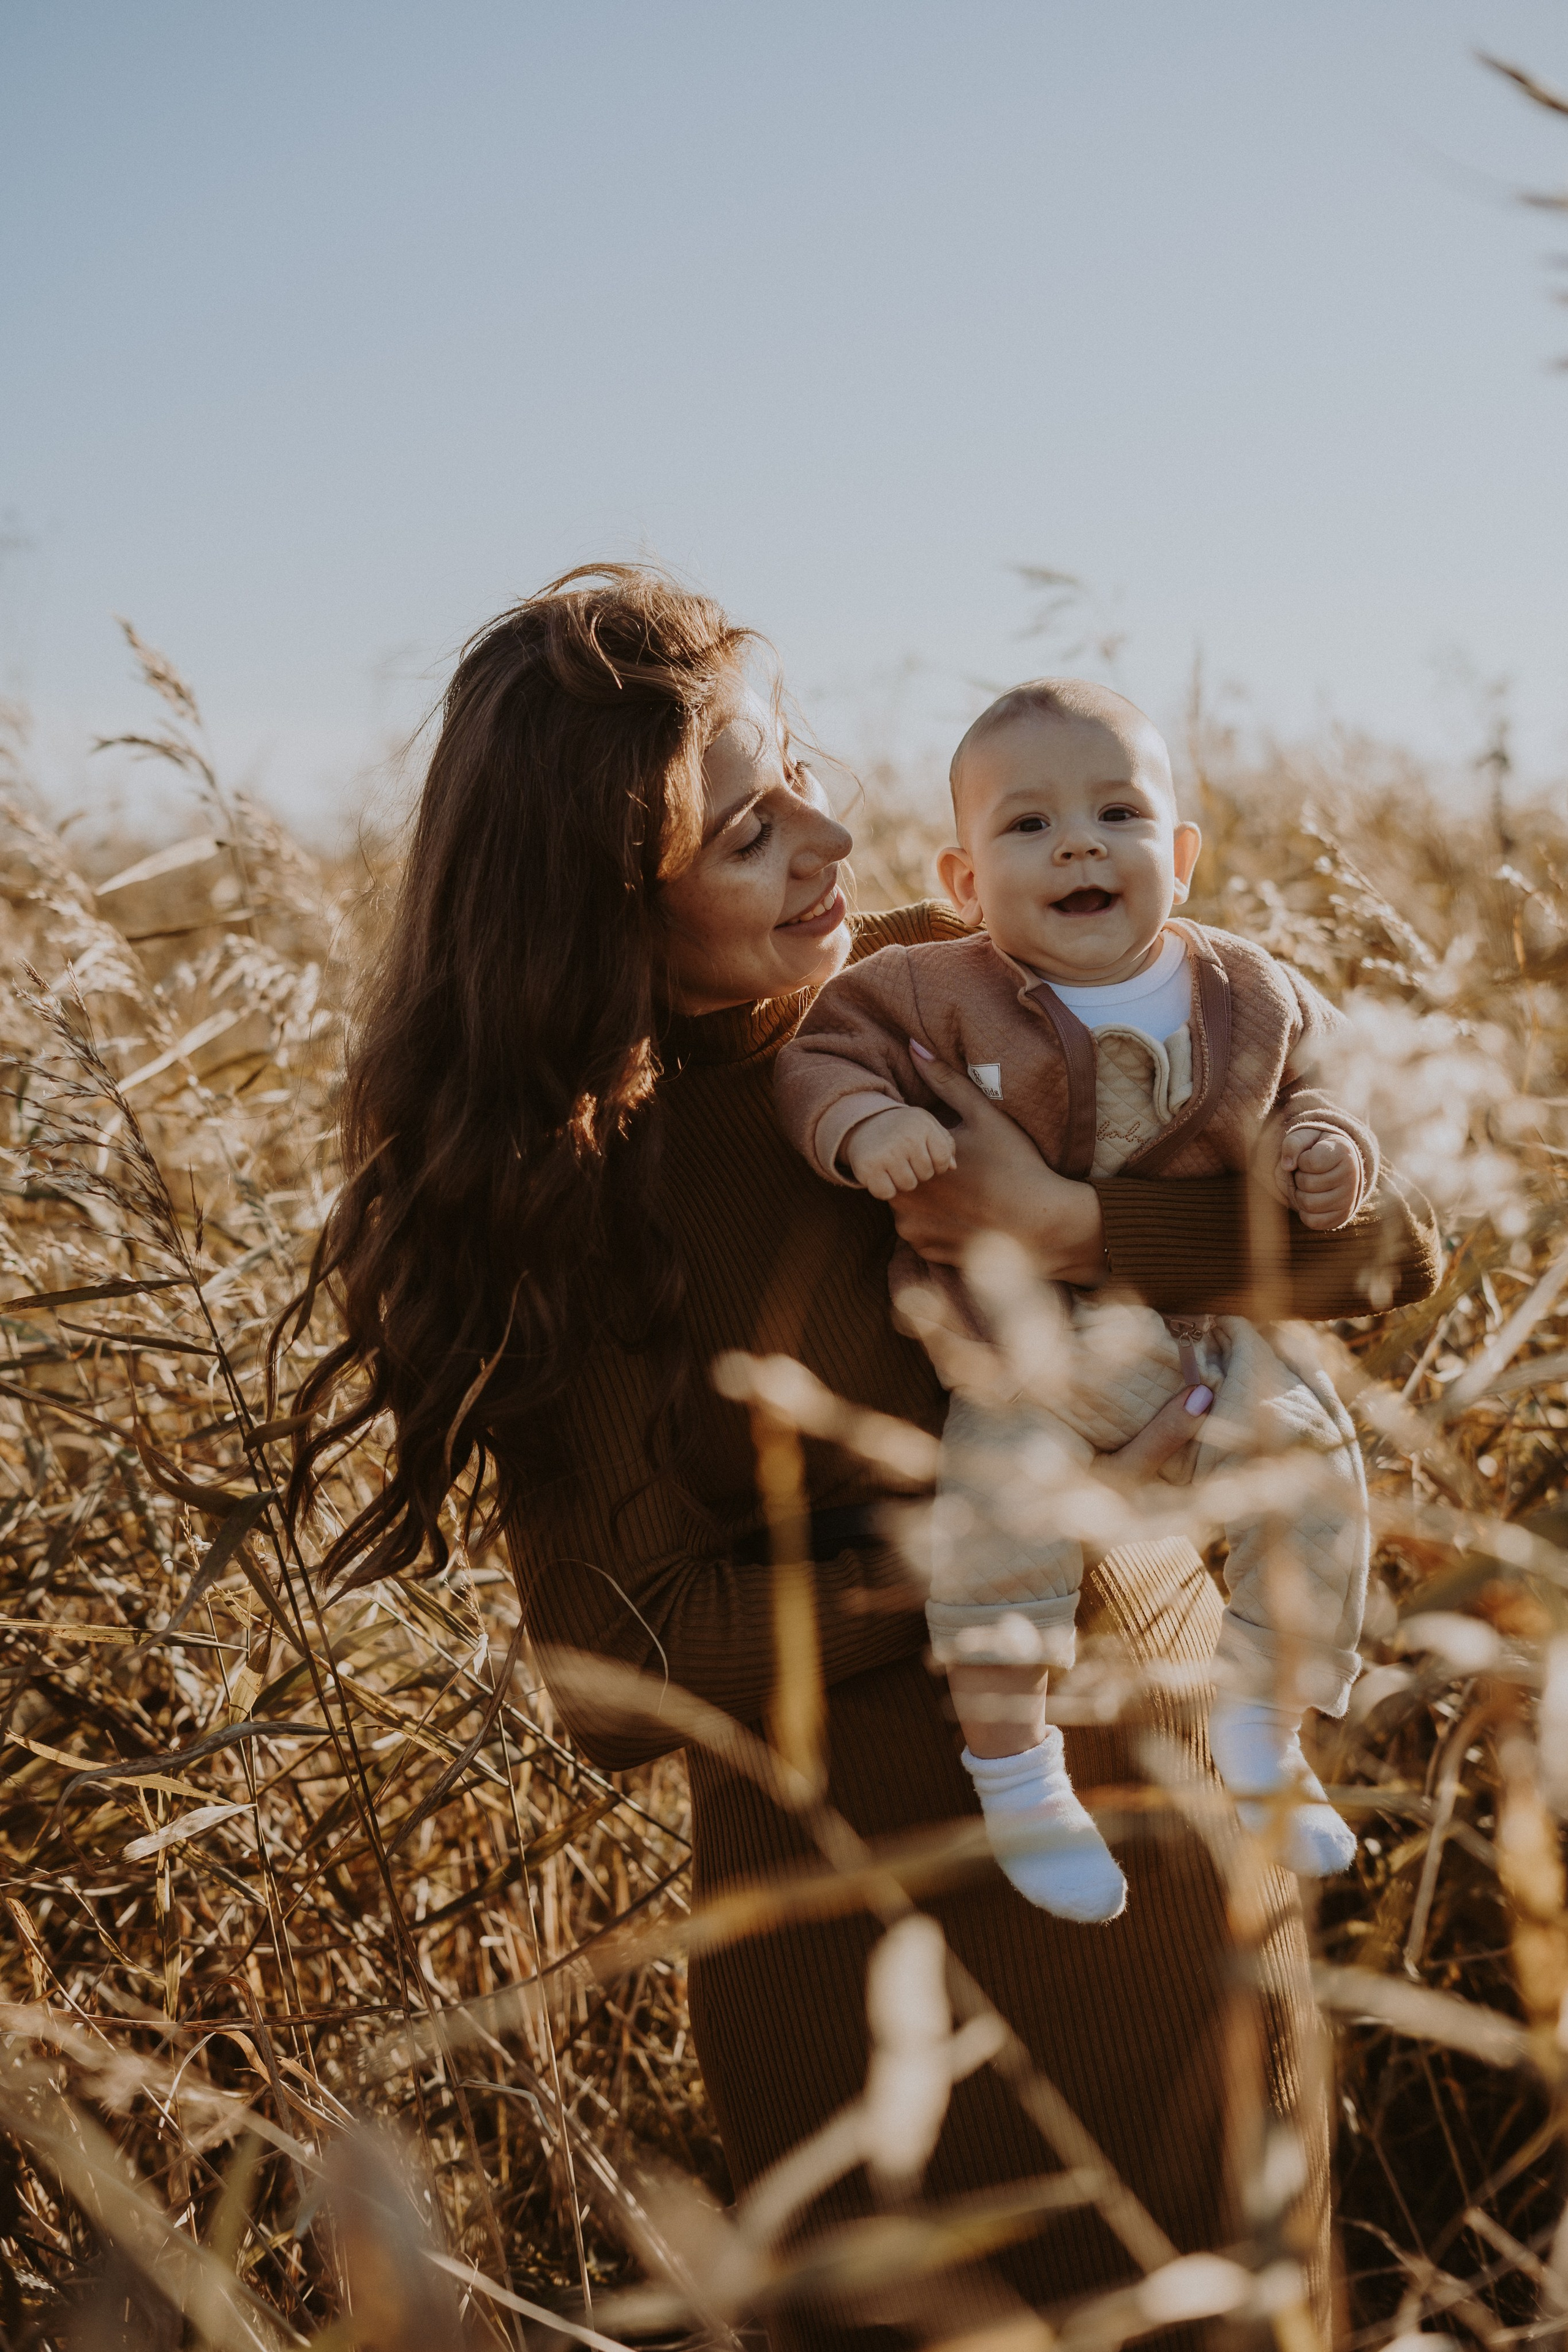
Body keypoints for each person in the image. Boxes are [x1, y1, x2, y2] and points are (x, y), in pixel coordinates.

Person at [282, 568, 1441, 2351]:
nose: (829, 834)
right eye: (752, 829)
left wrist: (1067, 1222)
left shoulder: (963, 980)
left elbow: (1383, 1251)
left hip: (1199, 1864)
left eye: (806, 768)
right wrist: (992, 1538)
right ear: (606, 905)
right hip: (885, 1955)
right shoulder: (586, 1201)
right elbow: (620, 1663)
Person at [776, 679, 1379, 1923]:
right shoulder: (925, 988)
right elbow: (819, 1060)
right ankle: (1016, 1773)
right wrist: (868, 1125)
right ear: (960, 879)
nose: (1078, 845)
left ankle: (1262, 1730)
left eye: (1116, 813)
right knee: (999, 1522)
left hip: (1215, 1337)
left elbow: (1328, 1088)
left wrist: (1326, 1148)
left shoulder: (1248, 989)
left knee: (1317, 1475)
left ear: (1180, 853)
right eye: (1027, 826)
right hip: (1022, 1352)